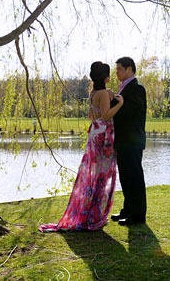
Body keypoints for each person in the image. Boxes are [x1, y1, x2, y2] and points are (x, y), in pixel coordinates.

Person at [39, 61, 124, 232]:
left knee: (93, 174)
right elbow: (106, 116)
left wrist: (109, 96)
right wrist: (120, 103)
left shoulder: (94, 93)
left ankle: (90, 213)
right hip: (103, 136)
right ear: (106, 77)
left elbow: (92, 115)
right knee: (102, 175)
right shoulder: (103, 93)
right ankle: (95, 216)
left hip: (94, 134)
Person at [110, 56, 148, 226]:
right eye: (116, 69)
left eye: (119, 69)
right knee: (126, 177)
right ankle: (128, 210)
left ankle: (138, 215)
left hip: (132, 141)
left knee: (134, 177)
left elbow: (133, 112)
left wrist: (117, 103)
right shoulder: (124, 88)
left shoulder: (137, 88)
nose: (116, 72)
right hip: (124, 141)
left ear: (130, 69)